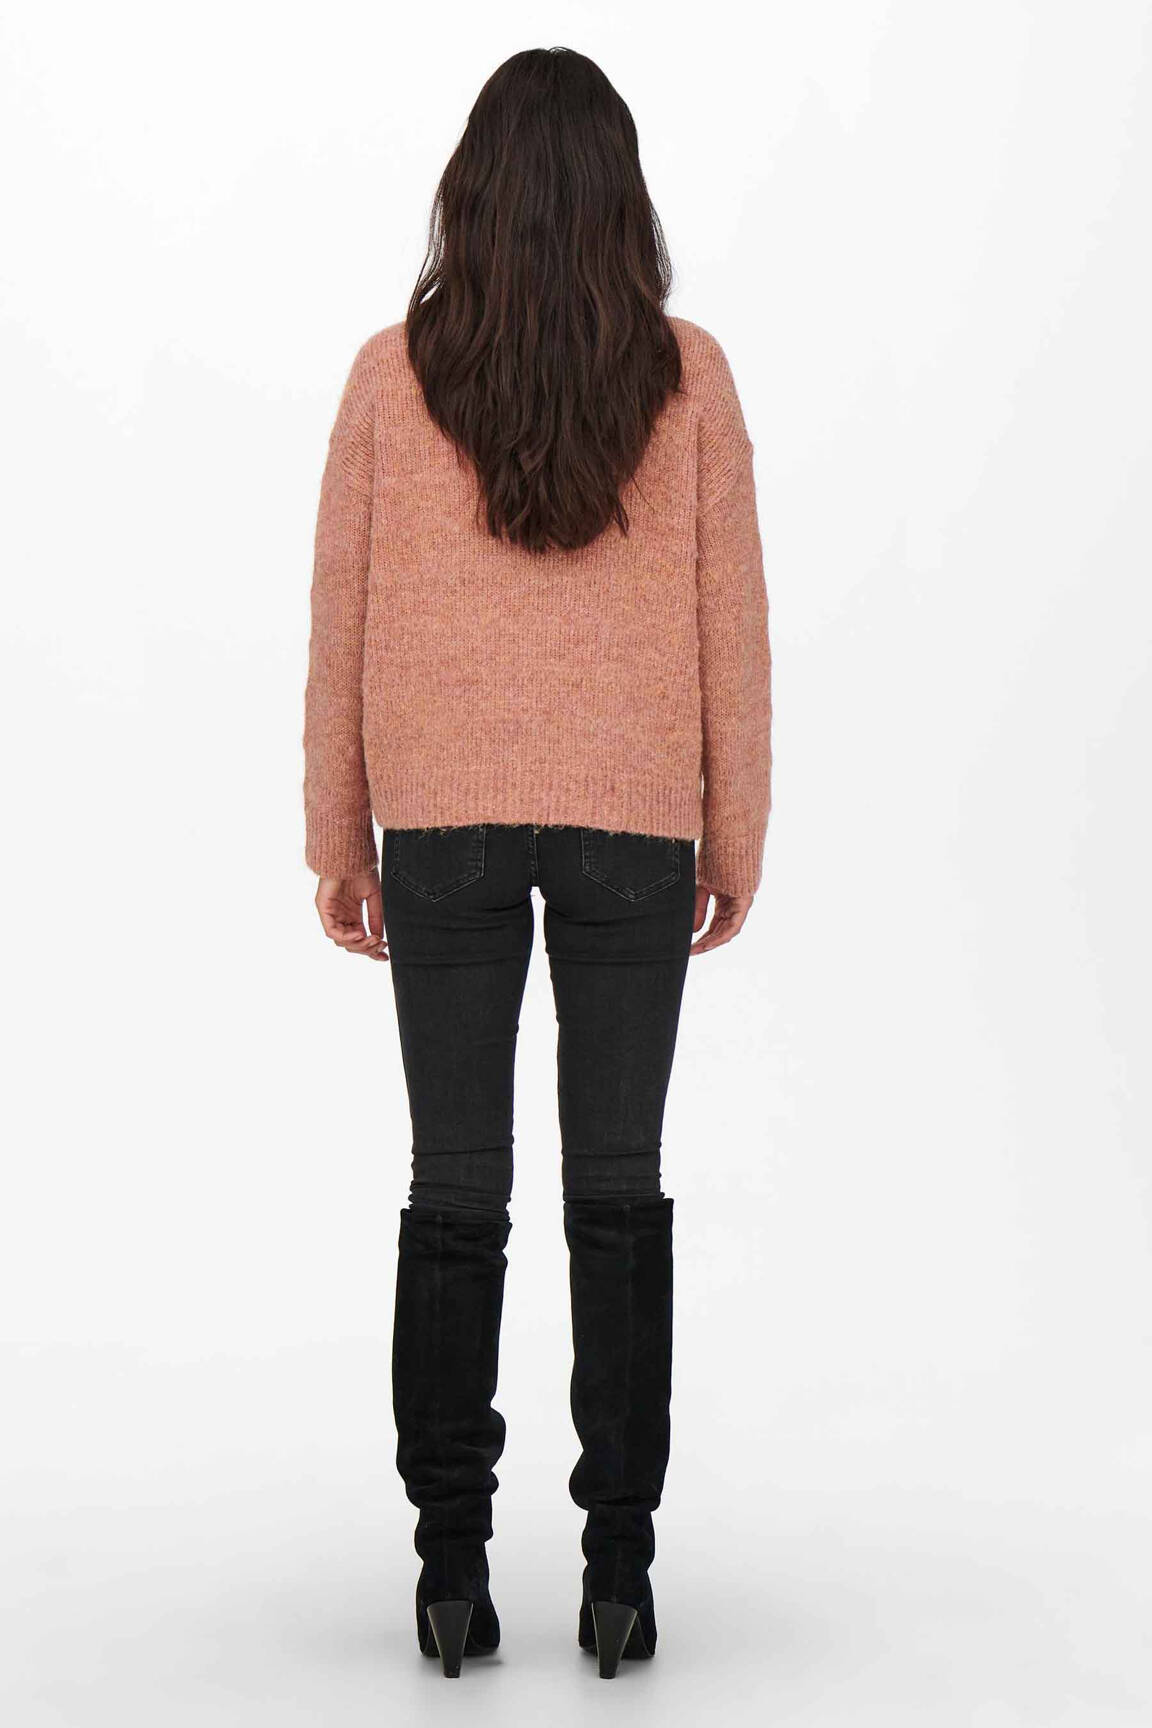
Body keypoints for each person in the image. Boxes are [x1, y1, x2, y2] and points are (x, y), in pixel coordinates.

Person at [303, 46, 772, 1680]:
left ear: (472, 198)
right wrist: (735, 829)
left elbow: (341, 618)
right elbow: (732, 625)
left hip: (437, 820)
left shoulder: (390, 378)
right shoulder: (689, 380)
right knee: (617, 1192)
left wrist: (337, 835)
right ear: (621, 204)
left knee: (456, 1191)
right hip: (636, 821)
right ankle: (618, 1573)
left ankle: (450, 1570)